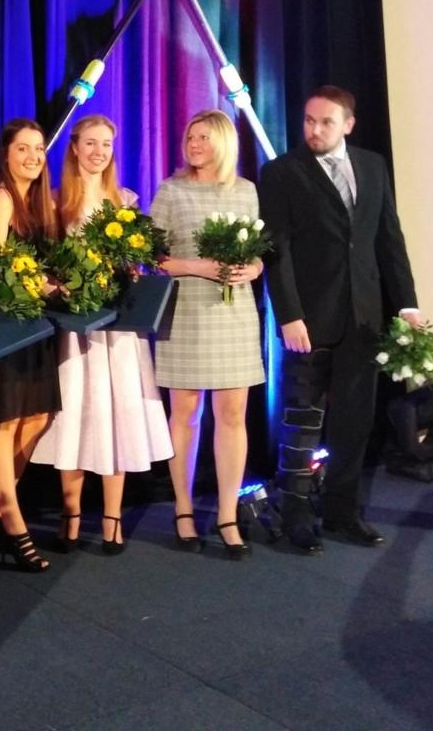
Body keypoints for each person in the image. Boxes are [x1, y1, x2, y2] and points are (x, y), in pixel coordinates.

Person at [258, 85, 422, 552]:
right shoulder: (282, 172)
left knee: (354, 420)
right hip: (308, 319)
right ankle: (295, 513)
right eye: (309, 120)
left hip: (364, 317)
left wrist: (406, 303)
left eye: (325, 122)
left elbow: (389, 238)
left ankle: (342, 512)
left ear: (348, 124)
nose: (314, 129)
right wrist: (289, 315)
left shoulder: (372, 165)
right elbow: (276, 250)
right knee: (302, 420)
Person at [30, 114, 172, 554]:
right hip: (76, 328)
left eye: (106, 144)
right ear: (74, 148)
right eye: (90, 143)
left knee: (118, 416)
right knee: (74, 414)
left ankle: (113, 518)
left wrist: (131, 270)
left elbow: (138, 262)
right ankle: (71, 515)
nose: (99, 152)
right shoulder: (56, 202)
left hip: (118, 330)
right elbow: (45, 265)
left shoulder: (125, 202)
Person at [152, 109, 265, 559]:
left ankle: (227, 515)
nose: (194, 144)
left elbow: (256, 253)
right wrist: (199, 266)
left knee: (233, 414)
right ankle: (182, 509)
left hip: (234, 314)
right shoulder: (172, 190)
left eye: (203, 137)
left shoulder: (246, 191)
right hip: (186, 312)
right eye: (190, 137)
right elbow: (151, 257)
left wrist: (253, 268)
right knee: (185, 411)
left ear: (223, 142)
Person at [0, 118, 61, 572]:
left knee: (38, 417)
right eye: (23, 148)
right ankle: (13, 522)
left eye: (39, 149)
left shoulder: (42, 204)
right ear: (6, 154)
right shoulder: (2, 199)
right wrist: (35, 285)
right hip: (5, 324)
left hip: (35, 326)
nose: (32, 156)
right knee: (4, 424)